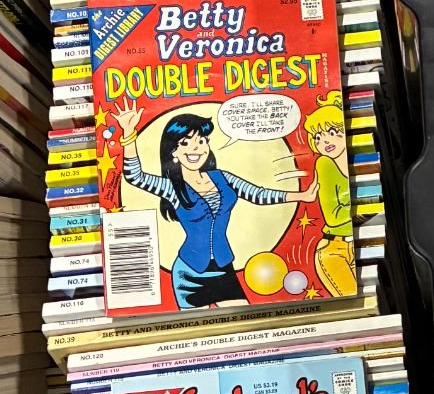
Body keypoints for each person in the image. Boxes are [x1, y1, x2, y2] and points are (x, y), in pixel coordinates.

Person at [112, 106, 317, 308]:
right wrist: (128, 133)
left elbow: (258, 194)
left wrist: (301, 196)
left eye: (201, 141)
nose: (196, 148)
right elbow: (135, 177)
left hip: (223, 268)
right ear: (174, 152)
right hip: (189, 274)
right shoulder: (171, 187)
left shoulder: (223, 178)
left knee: (242, 317)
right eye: (185, 143)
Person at [303, 90, 357, 297]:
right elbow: (333, 216)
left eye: (332, 132)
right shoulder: (324, 164)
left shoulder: (357, 157)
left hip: (358, 243)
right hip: (334, 249)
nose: (325, 141)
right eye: (318, 137)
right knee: (353, 302)